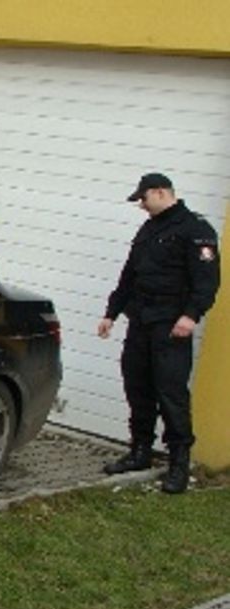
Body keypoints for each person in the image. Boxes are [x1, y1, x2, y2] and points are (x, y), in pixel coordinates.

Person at [98, 173, 220, 494]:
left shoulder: (195, 230)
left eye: (143, 198)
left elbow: (207, 281)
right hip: (141, 321)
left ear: (161, 192)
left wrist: (191, 316)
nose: (140, 205)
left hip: (171, 326)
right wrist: (111, 313)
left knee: (171, 393)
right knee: (137, 387)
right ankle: (140, 451)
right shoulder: (149, 229)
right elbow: (129, 276)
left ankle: (178, 463)